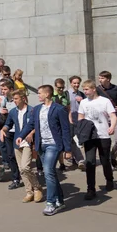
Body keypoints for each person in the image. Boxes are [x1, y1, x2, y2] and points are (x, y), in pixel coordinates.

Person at [16, 85, 72, 216]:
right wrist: (21, 136)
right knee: (51, 172)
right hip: (41, 145)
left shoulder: (59, 109)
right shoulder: (37, 109)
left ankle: (51, 203)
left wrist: (68, 149)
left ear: (47, 94)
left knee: (47, 172)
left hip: (54, 145)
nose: (38, 95)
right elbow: (30, 124)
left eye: (40, 93)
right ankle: (60, 200)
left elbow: (65, 129)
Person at [1, 90, 43, 203]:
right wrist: (3, 130)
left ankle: (37, 187)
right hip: (17, 142)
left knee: (25, 167)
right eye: (13, 99)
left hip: (29, 142)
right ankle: (29, 192)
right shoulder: (13, 112)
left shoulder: (32, 110)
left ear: (23, 98)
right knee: (22, 170)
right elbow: (8, 124)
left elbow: (38, 125)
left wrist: (31, 133)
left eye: (16, 99)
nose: (14, 101)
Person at [78, 79, 117, 199]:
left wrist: (112, 126)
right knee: (90, 162)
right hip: (89, 136)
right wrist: (81, 130)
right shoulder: (84, 102)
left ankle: (109, 179)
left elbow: (112, 115)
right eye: (83, 89)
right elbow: (81, 117)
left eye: (87, 89)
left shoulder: (104, 101)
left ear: (94, 89)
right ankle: (91, 189)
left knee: (105, 160)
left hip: (103, 134)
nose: (85, 91)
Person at [96, 70, 117, 169]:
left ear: (108, 79)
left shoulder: (116, 88)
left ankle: (113, 157)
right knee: (105, 141)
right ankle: (107, 162)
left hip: (115, 116)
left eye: (102, 78)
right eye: (99, 78)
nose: (100, 80)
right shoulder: (97, 89)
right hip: (103, 118)